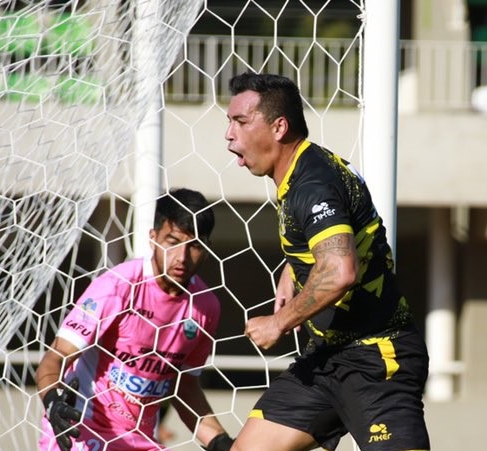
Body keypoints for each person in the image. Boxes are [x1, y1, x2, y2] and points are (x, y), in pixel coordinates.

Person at [224, 72, 431, 451]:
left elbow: (339, 270)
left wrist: (278, 322)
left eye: (240, 121)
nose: (229, 135)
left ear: (279, 126)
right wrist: (294, 269)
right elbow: (335, 241)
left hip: (377, 360)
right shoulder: (305, 167)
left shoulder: (311, 185)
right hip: (325, 361)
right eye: (229, 122)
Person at [36, 188, 235, 451]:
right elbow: (55, 358)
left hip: (138, 441)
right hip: (81, 432)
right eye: (172, 242)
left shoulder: (206, 307)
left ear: (207, 249)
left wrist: (221, 442)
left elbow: (183, 386)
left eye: (195, 246)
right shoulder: (118, 286)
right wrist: (53, 402)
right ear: (153, 238)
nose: (182, 258)